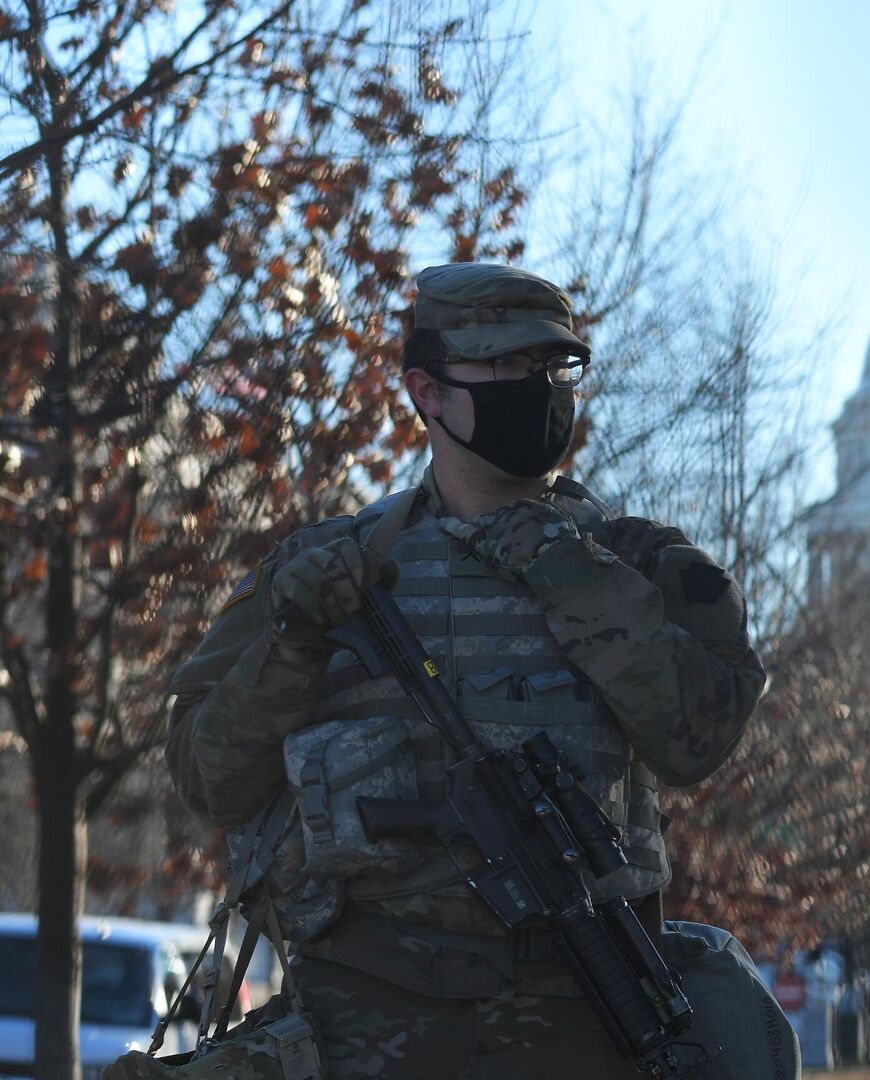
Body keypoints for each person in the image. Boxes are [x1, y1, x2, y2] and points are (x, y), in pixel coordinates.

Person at [163, 263, 768, 1078]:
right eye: (508, 367)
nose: (539, 387)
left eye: (555, 369)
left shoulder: (641, 567)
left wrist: (575, 580)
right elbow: (209, 781)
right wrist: (291, 641)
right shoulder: (322, 578)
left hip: (584, 1031)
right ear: (428, 392)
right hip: (358, 1040)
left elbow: (701, 740)